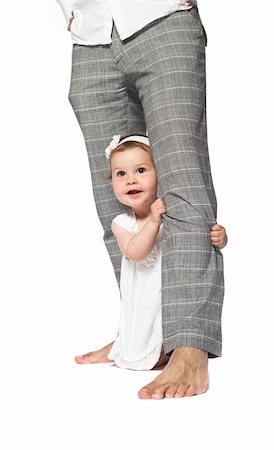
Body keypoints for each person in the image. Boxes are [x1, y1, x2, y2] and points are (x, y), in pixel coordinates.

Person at [56, 0, 226, 399]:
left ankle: (189, 343)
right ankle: (143, 340)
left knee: (180, 185)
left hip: (160, 16)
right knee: (117, 201)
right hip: (91, 36)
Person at [76, 134, 227, 384]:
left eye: (141, 170)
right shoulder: (122, 223)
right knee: (143, 340)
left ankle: (177, 349)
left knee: (167, 325)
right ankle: (134, 349)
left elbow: (193, 243)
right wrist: (154, 222)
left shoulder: (174, 213)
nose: (130, 179)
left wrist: (220, 237)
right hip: (142, 295)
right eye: (120, 174)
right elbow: (135, 251)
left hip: (168, 290)